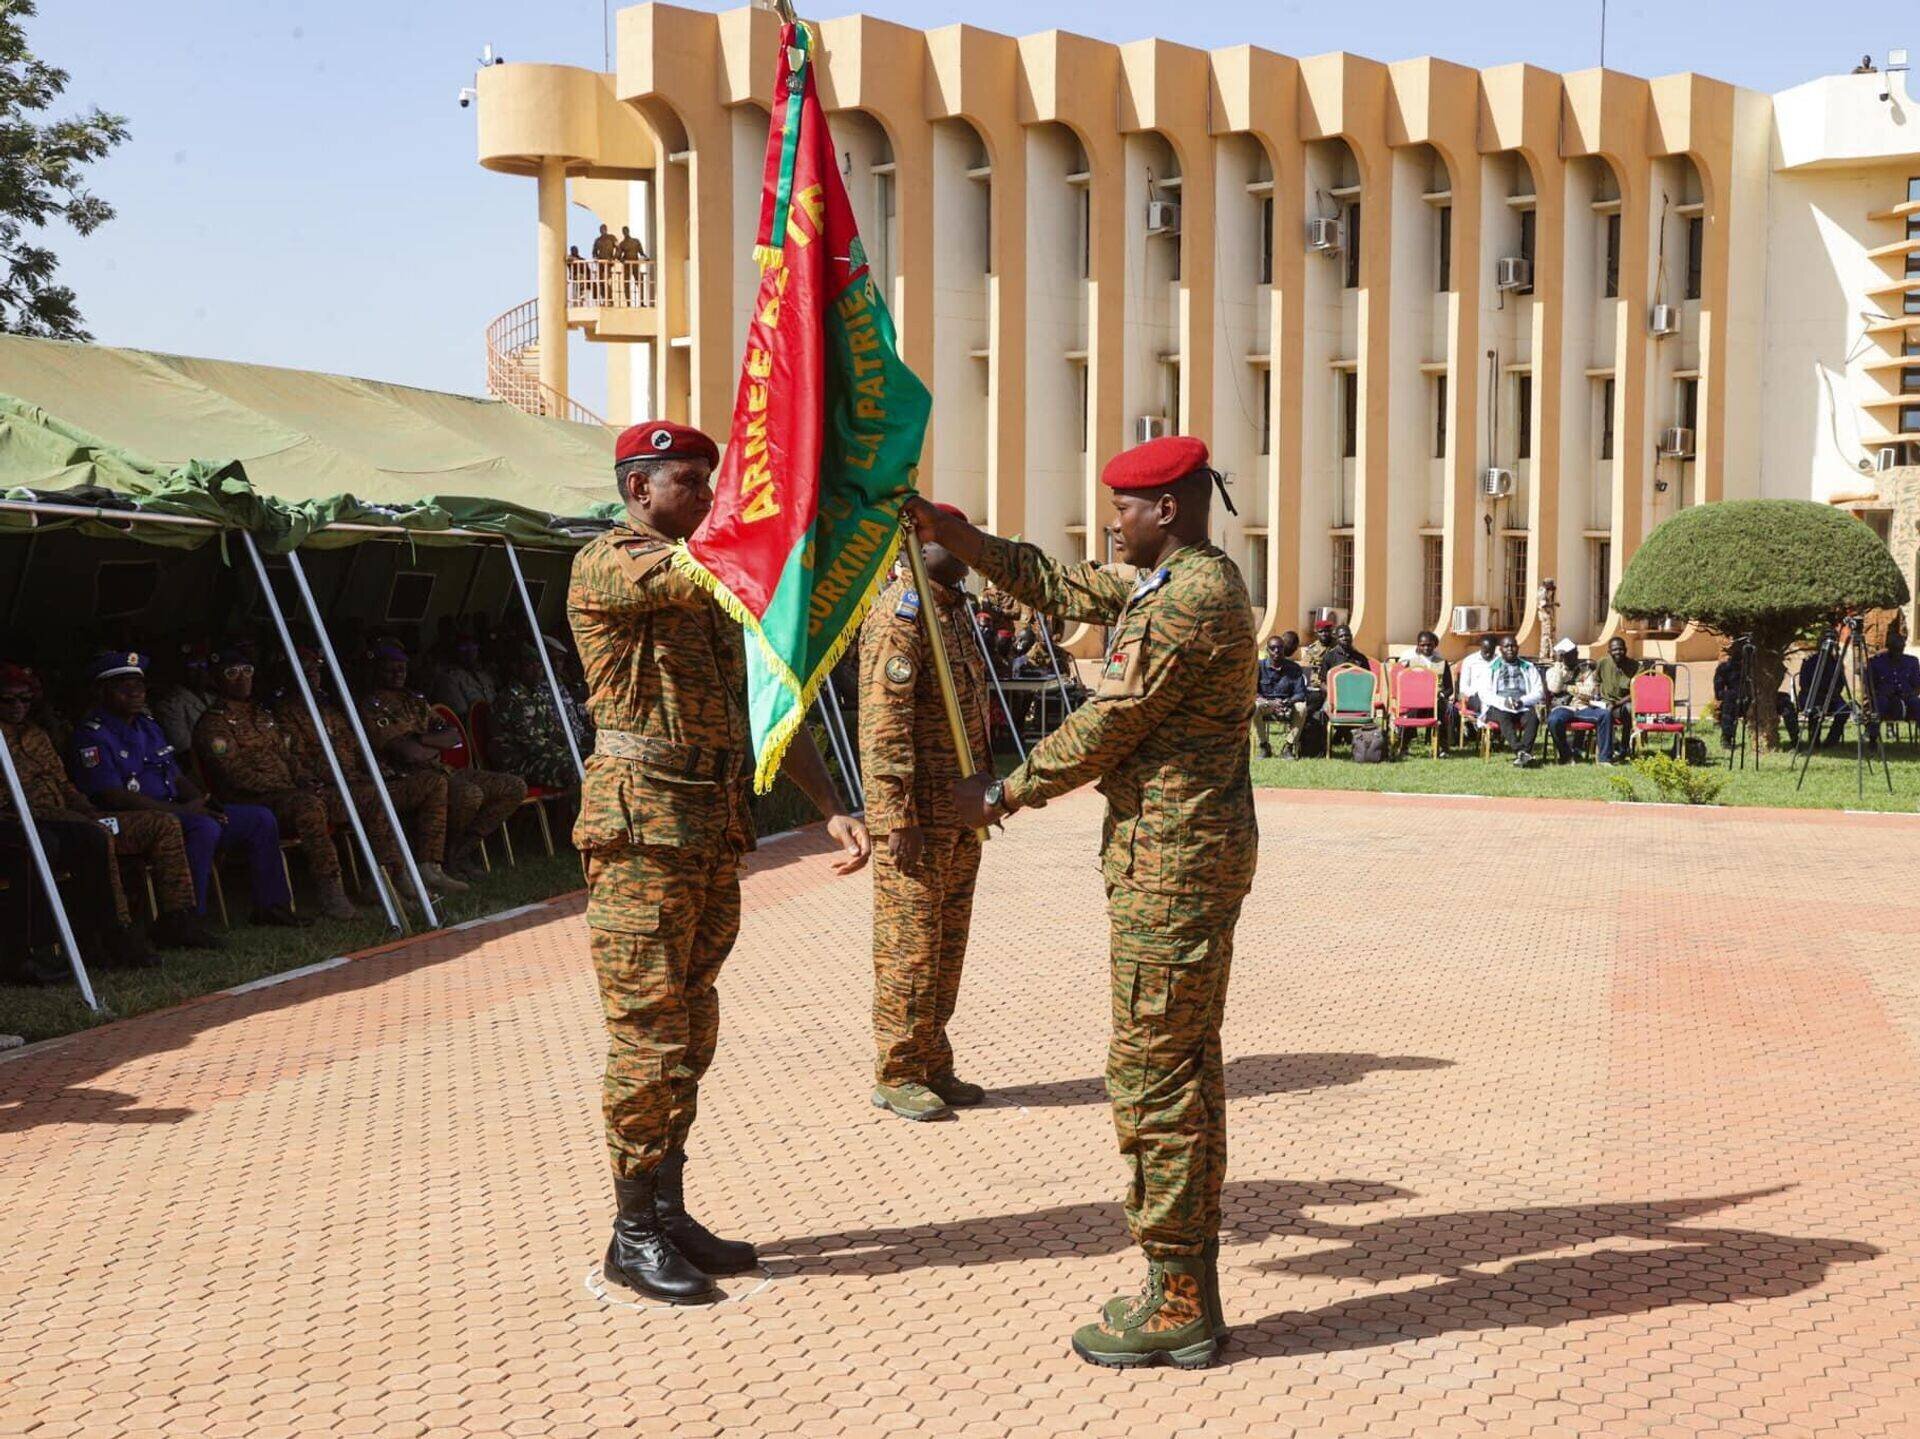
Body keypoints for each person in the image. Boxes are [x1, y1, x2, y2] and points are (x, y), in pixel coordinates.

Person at [908, 432, 1256, 1371]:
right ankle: (1184, 1281)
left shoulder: (1187, 600)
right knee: (1181, 1065)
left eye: (1123, 511)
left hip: (1176, 865)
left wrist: (1004, 788)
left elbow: (1111, 719)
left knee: (1153, 1075)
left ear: (1166, 510)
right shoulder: (1172, 582)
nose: (1113, 526)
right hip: (1179, 858)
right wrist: (957, 535)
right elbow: (1059, 586)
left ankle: (1178, 1297)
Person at [568, 419, 870, 1304]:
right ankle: (631, 1231)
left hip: (706, 827)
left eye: (710, 480)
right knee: (649, 1034)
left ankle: (667, 1211)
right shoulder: (612, 562)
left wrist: (830, 804)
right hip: (642, 833)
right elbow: (718, 567)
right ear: (638, 489)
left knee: (691, 1028)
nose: (705, 495)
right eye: (689, 481)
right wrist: (787, 507)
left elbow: (765, 706)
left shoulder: (712, 586)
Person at [858, 508, 995, 1123]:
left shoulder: (954, 612)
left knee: (947, 947)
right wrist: (895, 816)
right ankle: (898, 1071)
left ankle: (933, 1060)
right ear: (917, 547)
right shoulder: (902, 615)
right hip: (917, 820)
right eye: (948, 540)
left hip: (959, 814)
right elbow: (884, 723)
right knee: (909, 951)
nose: (961, 550)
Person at [0, 664, 216, 974]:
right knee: (93, 835)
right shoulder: (92, 732)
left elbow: (64, 784)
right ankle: (115, 930)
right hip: (25, 821)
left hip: (72, 816)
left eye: (25, 699)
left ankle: (178, 917)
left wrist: (86, 809)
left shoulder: (37, 736)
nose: (18, 706)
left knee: (160, 824)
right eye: (8, 700)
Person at [69, 651, 304, 928]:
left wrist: (202, 800)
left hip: (178, 809)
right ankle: (190, 918)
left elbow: (175, 775)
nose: (135, 693)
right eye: (124, 687)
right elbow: (110, 795)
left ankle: (271, 905)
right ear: (102, 692)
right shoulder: (92, 734)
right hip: (136, 818)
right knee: (203, 827)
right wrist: (182, 810)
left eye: (139, 686)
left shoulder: (148, 726)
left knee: (260, 819)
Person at [272, 647, 466, 898]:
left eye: (316, 672)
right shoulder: (283, 714)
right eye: (306, 672)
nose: (313, 677)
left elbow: (357, 748)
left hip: (361, 781)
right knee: (377, 798)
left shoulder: (329, 711)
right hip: (330, 788)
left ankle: (413, 871)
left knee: (425, 785)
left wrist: (374, 768)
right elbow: (297, 761)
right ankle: (390, 879)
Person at [193, 647, 359, 921]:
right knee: (308, 807)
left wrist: (305, 778)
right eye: (232, 673)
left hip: (290, 793)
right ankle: (331, 890)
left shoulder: (263, 715)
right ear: (216, 679)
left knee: (364, 797)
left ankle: (393, 873)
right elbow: (234, 775)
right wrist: (290, 788)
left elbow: (288, 756)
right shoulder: (214, 725)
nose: (242, 678)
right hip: (253, 801)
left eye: (247, 671)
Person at [359, 639, 526, 878]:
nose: (398, 674)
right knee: (469, 794)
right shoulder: (372, 705)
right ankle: (447, 858)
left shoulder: (415, 700)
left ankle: (460, 850)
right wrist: (432, 744)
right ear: (377, 670)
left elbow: (454, 737)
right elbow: (409, 754)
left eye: (402, 668)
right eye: (391, 669)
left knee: (513, 786)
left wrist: (420, 739)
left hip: (441, 769)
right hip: (409, 778)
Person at [488, 640, 589, 791]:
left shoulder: (536, 696)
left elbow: (555, 732)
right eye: (530, 665)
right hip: (520, 764)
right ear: (517, 668)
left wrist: (579, 750)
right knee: (576, 770)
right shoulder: (510, 700)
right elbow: (533, 745)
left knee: (591, 759)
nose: (537, 671)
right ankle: (572, 807)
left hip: (542, 757)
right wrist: (569, 754)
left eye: (540, 666)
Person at [1714, 638, 1799, 750]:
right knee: (1729, 700)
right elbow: (1719, 693)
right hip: (1740, 701)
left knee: (1785, 700)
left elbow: (1777, 679)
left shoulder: (1763, 665)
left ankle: (1795, 739)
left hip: (1765, 698)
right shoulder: (1726, 667)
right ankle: (1727, 739)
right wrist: (1734, 693)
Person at [1544, 641, 1618, 763]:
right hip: (1563, 708)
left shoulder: (1586, 671)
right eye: (1569, 654)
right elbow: (1554, 688)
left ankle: (1605, 759)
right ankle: (1566, 755)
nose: (1574, 657)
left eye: (1575, 653)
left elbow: (1590, 691)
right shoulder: (1553, 671)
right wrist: (1558, 664)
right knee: (1554, 720)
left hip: (1583, 707)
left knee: (1605, 714)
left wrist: (1566, 688)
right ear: (1562, 656)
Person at [1477, 635, 1543, 766]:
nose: (1510, 649)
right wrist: (1504, 702)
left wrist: (1522, 701)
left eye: (1513, 646)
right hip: (1498, 706)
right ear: (1500, 649)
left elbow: (1539, 691)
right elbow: (1484, 693)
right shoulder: (1491, 668)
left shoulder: (1528, 667)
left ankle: (1524, 754)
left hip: (1522, 705)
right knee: (1503, 716)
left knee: (1533, 718)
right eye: (1506, 646)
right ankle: (1520, 751)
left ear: (1518, 648)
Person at [152, 640, 215, 755]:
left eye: (203, 665)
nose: (200, 671)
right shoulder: (169, 705)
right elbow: (184, 749)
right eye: (193, 666)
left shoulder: (213, 699)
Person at [1252, 632, 1309, 759]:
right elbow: (1252, 691)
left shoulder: (1294, 668)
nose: (1276, 651)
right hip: (1266, 703)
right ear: (1267, 650)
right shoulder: (1259, 667)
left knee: (1302, 707)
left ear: (1284, 649)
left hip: (1286, 704)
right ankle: (1264, 746)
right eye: (1273, 648)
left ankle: (1288, 747)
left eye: (1280, 647)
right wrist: (1270, 703)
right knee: (1253, 707)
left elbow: (1300, 693)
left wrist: (1288, 702)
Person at [427, 630, 497, 718]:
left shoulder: (484, 675)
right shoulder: (448, 679)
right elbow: (461, 715)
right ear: (455, 651)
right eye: (464, 648)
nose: (470, 652)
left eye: (473, 646)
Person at [1866, 629, 1920, 736]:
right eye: (1895, 649)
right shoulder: (1876, 662)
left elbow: (1917, 683)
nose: (1898, 653)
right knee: (1880, 704)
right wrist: (1879, 693)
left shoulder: (1911, 661)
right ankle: (1872, 736)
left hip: (1907, 697)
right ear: (1889, 648)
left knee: (1916, 703)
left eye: (1900, 649)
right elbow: (1870, 686)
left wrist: (1912, 693)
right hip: (1885, 697)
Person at [1455, 633, 1497, 743]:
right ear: (1480, 647)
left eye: (1491, 651)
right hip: (1474, 697)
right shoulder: (1470, 661)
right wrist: (1469, 697)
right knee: (1485, 704)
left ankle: (1492, 733)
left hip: (1494, 696)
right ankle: (1484, 732)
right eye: (1485, 651)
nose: (1488, 654)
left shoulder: (1499, 661)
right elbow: (1463, 687)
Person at [615, 224, 648, 304]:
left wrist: (646, 257)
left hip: (635, 264)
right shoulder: (622, 244)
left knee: (639, 282)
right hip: (627, 265)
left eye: (626, 231)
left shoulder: (636, 241)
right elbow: (618, 256)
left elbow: (641, 252)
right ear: (623, 233)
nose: (625, 232)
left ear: (628, 231)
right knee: (626, 283)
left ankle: (642, 302)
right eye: (624, 231)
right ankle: (628, 303)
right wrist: (622, 259)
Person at [591, 223, 618, 304]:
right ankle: (604, 299)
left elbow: (618, 248)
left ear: (606, 229)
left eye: (604, 229)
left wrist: (614, 258)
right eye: (601, 229)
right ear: (600, 231)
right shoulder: (597, 240)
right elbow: (594, 252)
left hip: (608, 263)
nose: (602, 231)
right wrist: (595, 258)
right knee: (601, 282)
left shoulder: (612, 237)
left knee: (607, 281)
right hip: (600, 263)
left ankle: (609, 300)